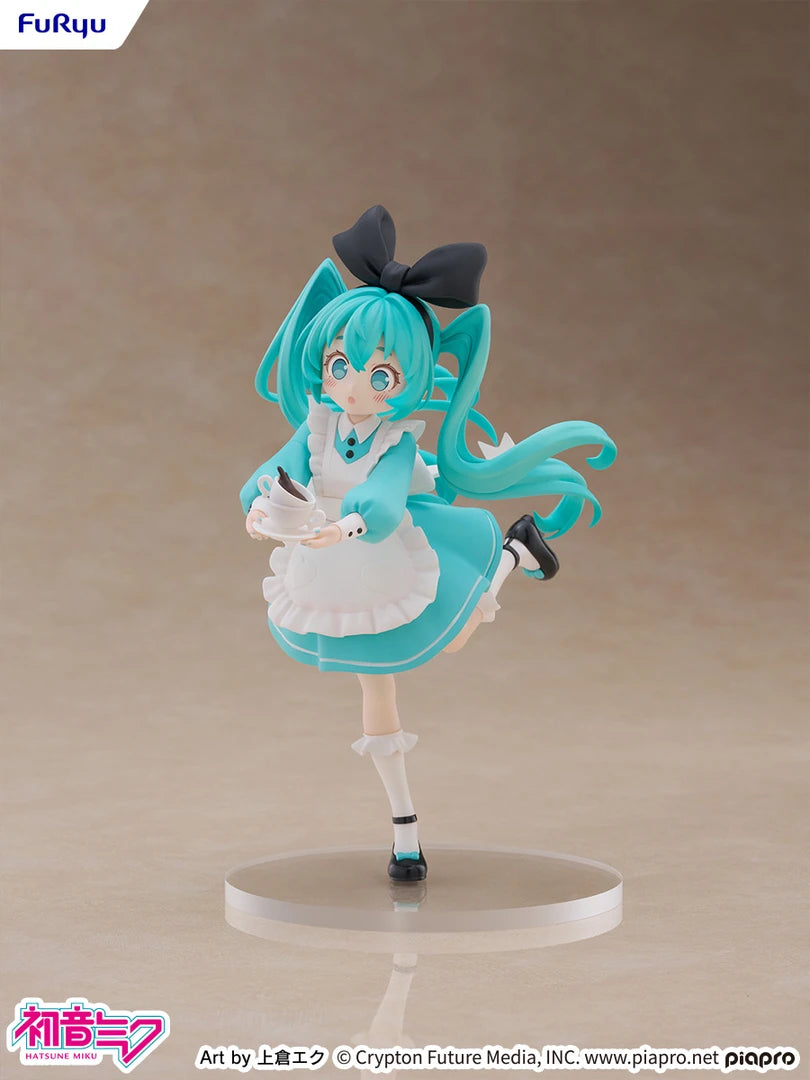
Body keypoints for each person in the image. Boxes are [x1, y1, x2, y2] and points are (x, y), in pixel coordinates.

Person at [240, 206, 616, 882]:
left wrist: (341, 529)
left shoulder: (395, 442)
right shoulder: (319, 424)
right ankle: (405, 833)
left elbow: (384, 503)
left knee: (458, 637)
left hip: (383, 554)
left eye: (380, 376)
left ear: (406, 383)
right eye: (340, 365)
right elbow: (270, 474)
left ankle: (512, 553)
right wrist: (262, 511)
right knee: (376, 692)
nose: (353, 386)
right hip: (332, 573)